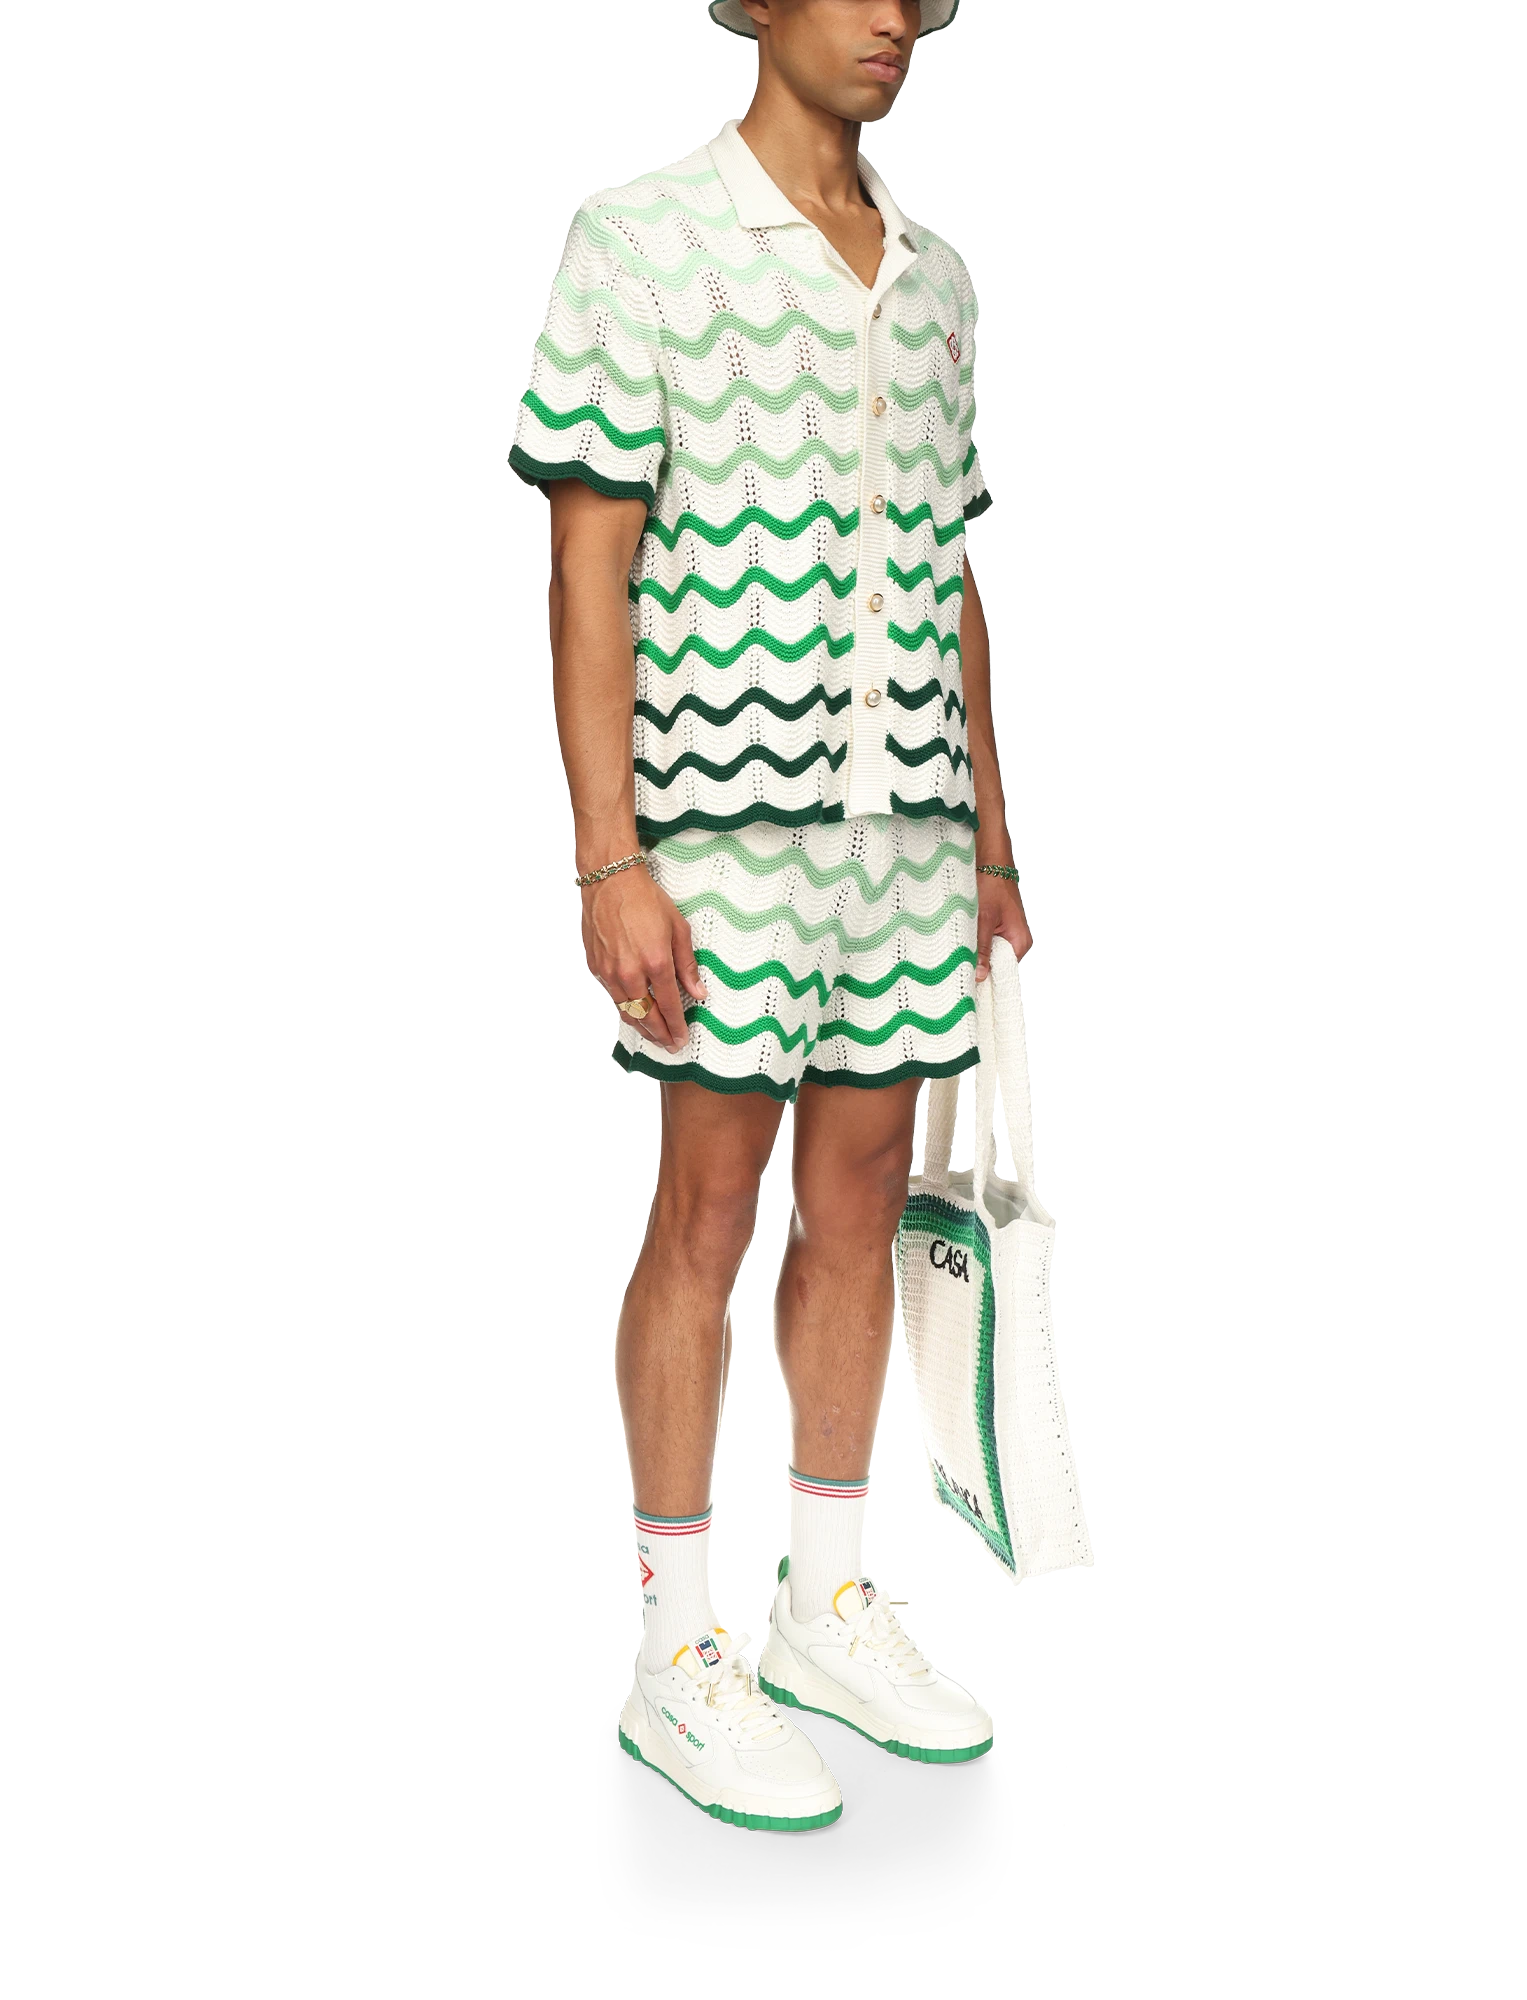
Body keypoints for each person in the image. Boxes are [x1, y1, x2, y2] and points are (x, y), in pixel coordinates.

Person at [508, 0, 1030, 1830]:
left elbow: (950, 570)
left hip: (908, 829)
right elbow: (587, 565)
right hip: (721, 828)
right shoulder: (640, 238)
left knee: (866, 1199)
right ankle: (677, 1644)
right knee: (707, 1211)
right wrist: (611, 856)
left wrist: (991, 839)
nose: (895, 17)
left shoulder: (937, 279)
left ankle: (825, 1600)